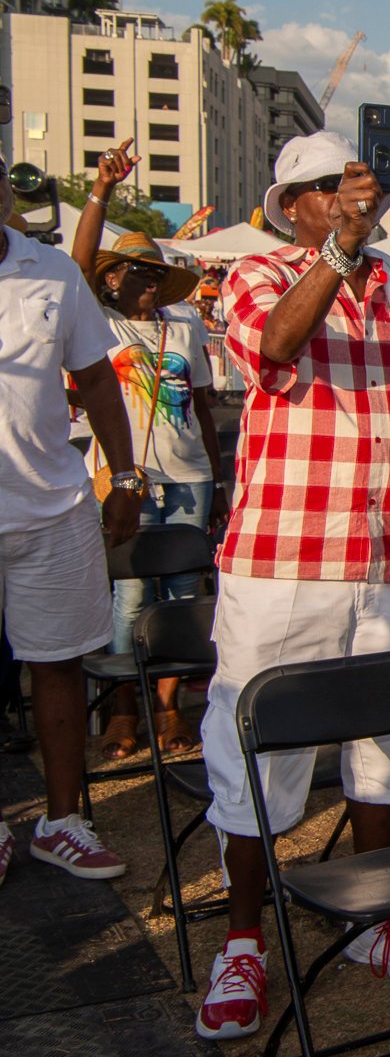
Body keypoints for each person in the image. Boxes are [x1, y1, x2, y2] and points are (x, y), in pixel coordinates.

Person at [196, 131, 390, 1041]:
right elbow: (273, 348)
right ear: (292, 205)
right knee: (256, 749)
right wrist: (340, 250)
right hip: (284, 555)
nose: (347, 200)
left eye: (355, 186)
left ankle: (371, 920)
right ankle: (242, 942)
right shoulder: (259, 272)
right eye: (327, 190)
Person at [0, 160, 142, 888]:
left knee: (58, 665)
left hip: (52, 508)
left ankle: (61, 822)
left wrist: (126, 476)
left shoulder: (52, 270)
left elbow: (95, 378)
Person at [73, 216, 225, 760]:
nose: (152, 282)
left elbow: (202, 408)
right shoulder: (100, 325)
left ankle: (168, 707)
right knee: (132, 594)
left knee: (182, 592)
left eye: (158, 273)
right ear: (112, 279)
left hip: (190, 476)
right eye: (140, 272)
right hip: (127, 481)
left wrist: (217, 478)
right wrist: (100, 193)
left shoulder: (184, 327)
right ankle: (123, 708)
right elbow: (78, 269)